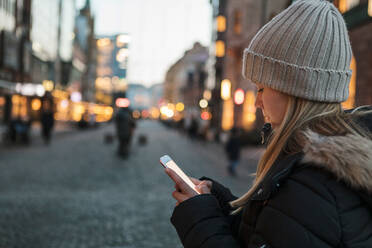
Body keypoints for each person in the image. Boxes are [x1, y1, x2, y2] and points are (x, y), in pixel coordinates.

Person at [165, 1, 372, 247]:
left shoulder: (309, 185)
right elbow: (271, 230)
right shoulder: (313, 167)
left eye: (262, 88)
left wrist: (199, 218)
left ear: (294, 88)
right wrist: (220, 203)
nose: (257, 101)